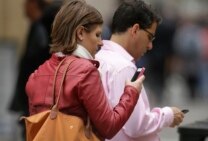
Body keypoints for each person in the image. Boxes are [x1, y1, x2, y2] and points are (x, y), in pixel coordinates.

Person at [25, 0, 145, 140]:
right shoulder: (86, 71)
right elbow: (109, 127)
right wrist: (131, 92)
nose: (101, 42)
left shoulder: (36, 75)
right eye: (97, 35)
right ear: (80, 33)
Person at [95, 1, 184, 141]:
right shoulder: (124, 67)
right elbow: (136, 125)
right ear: (135, 30)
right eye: (150, 37)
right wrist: (167, 115)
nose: (150, 46)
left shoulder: (98, 58)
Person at [8, 0, 61, 140]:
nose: (23, 6)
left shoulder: (41, 29)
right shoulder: (38, 27)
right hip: (35, 99)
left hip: (36, 99)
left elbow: (33, 65)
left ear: (33, 4)